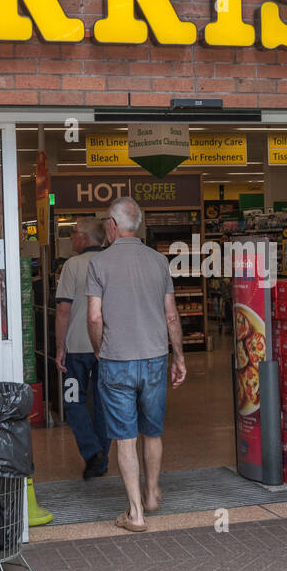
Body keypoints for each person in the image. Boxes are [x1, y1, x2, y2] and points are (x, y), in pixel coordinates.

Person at [86, 197, 187, 533]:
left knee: (125, 438)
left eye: (105, 224)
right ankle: (153, 492)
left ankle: (136, 513)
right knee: (152, 430)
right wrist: (179, 356)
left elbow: (95, 317)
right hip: (155, 358)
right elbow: (171, 315)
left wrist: (98, 349)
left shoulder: (99, 264)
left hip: (117, 361)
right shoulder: (159, 261)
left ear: (112, 226)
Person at [55, 218, 109, 479]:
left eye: (73, 233)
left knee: (72, 399)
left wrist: (60, 346)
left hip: (76, 348)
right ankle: (101, 458)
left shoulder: (72, 266)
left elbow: (63, 310)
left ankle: (92, 451)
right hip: (108, 348)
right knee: (103, 404)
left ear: (85, 238)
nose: (71, 238)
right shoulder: (112, 262)